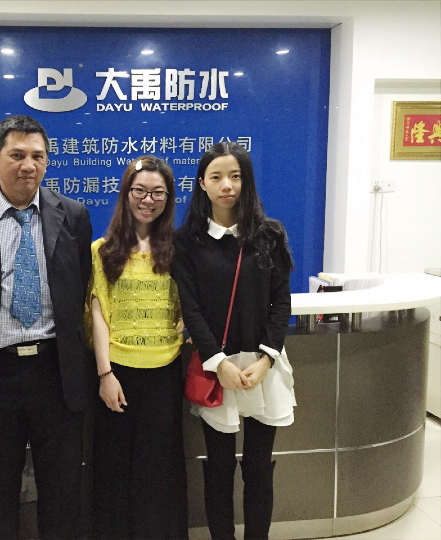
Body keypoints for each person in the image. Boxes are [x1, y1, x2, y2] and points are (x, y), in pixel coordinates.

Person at [0, 115, 92, 539]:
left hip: (56, 374)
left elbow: (78, 287)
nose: (29, 165)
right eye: (17, 155)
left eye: (38, 156)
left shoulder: (73, 216)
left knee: (62, 497)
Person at [173, 142, 295, 540]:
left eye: (236, 176)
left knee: (259, 467)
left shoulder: (269, 234)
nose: (227, 185)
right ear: (202, 184)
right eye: (217, 177)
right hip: (216, 368)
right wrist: (218, 362)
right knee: (220, 468)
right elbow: (191, 308)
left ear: (246, 181)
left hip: (262, 365)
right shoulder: (187, 242)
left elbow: (281, 302)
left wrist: (266, 359)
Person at [87, 156, 188, 539]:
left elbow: (193, 302)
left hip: (165, 372)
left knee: (160, 471)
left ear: (168, 198)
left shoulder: (178, 250)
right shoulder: (102, 250)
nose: (148, 200)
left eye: (158, 193)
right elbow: (99, 313)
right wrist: (105, 374)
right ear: (126, 193)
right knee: (114, 471)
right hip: (118, 374)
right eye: (140, 191)